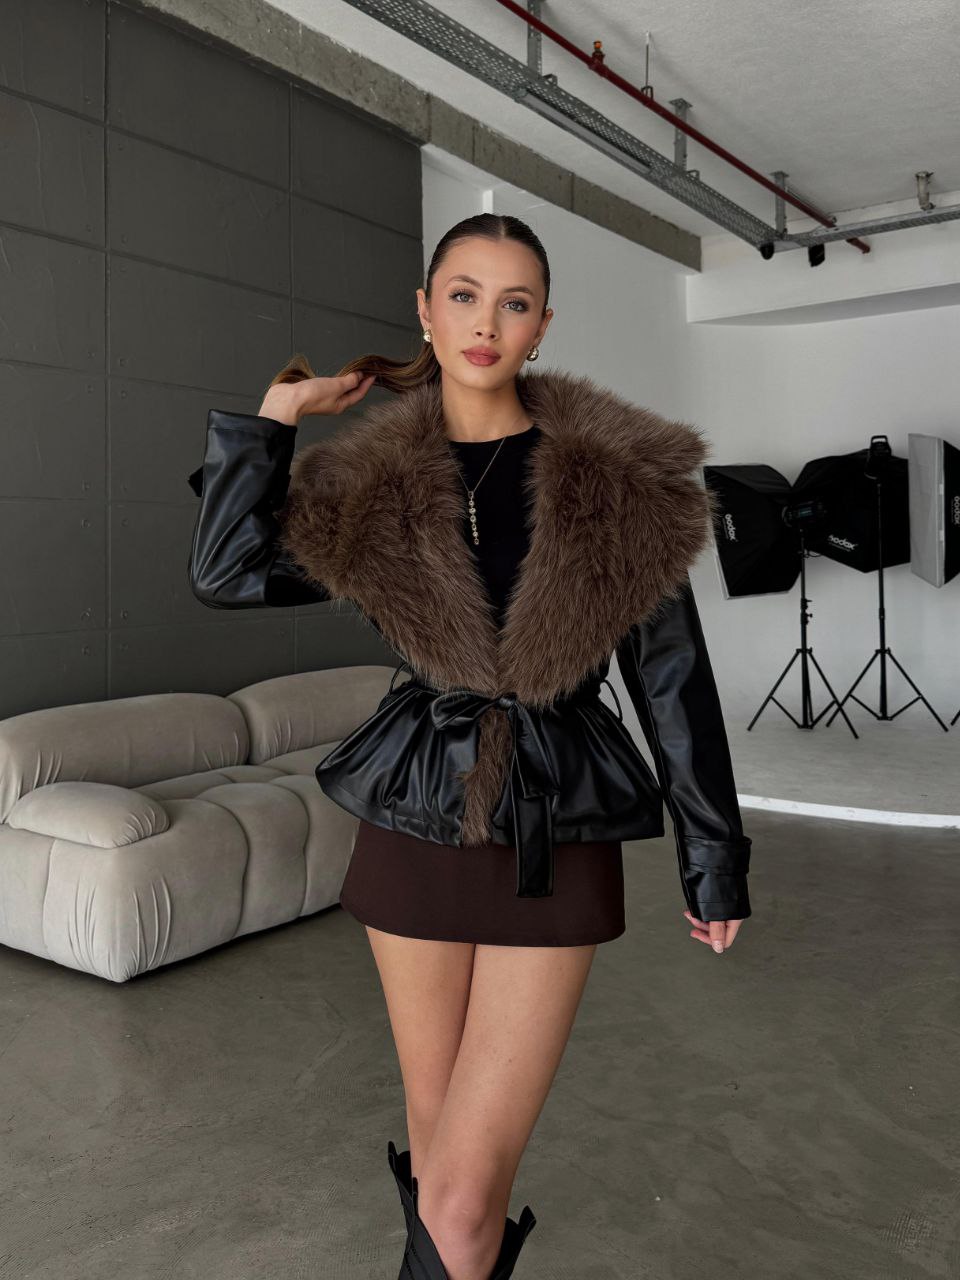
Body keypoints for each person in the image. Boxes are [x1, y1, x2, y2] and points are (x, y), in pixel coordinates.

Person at [187, 213, 753, 1280]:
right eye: (463, 294)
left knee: (457, 1192)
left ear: (542, 326)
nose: (485, 322)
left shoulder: (620, 478)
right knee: (440, 1161)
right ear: (425, 310)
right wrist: (274, 419)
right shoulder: (368, 483)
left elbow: (671, 676)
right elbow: (225, 571)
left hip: (556, 820)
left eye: (513, 302)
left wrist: (713, 852)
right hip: (415, 817)